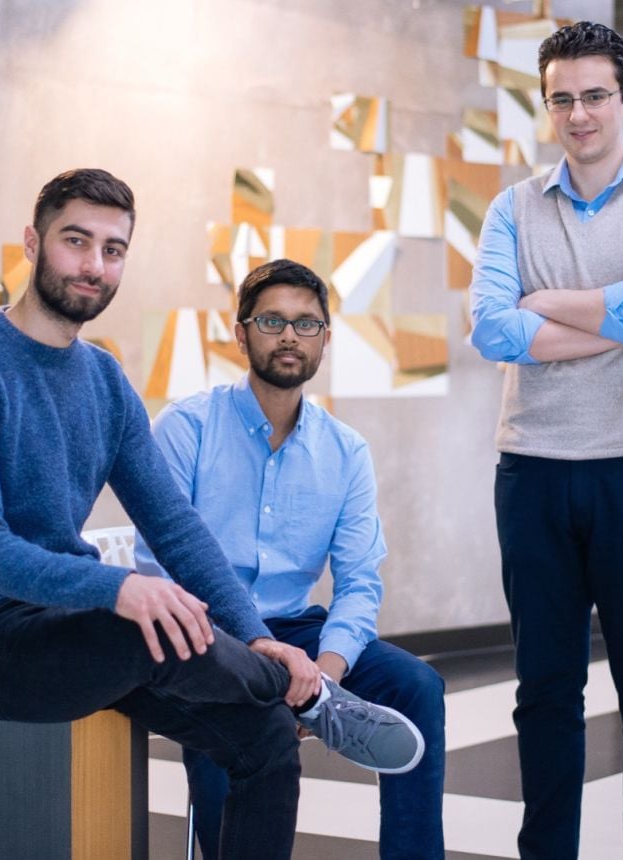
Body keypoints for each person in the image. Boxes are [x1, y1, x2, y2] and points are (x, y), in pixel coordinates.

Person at [0, 169, 422, 860]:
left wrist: (254, 635)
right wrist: (121, 588)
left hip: (67, 631)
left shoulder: (104, 379)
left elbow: (175, 528)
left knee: (266, 739)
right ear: (32, 242)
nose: (94, 265)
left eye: (113, 249)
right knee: (141, 625)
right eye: (76, 241)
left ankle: (290, 692)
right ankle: (309, 694)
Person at [470, 21, 623, 860]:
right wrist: (618, 314)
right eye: (562, 99)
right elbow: (492, 331)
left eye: (595, 95)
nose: (579, 114)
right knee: (544, 693)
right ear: (547, 106)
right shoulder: (512, 207)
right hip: (534, 472)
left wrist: (546, 302)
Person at [135, 258, 446, 860]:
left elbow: (359, 581)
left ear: (325, 339)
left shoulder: (345, 452)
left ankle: (316, 702)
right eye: (272, 321)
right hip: (208, 631)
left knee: (417, 686)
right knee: (247, 712)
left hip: (295, 627)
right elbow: (160, 566)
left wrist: (324, 672)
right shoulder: (186, 428)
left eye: (306, 324)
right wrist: (255, 658)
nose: (289, 336)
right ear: (241, 332)